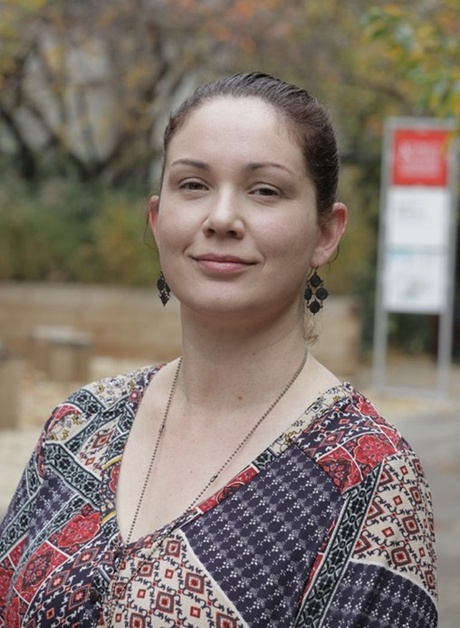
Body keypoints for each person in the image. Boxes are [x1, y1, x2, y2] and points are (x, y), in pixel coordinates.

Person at [0, 72, 437, 627]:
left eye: (265, 191)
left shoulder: (369, 477)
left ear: (326, 232)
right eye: (194, 185)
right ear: (157, 220)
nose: (222, 218)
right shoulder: (79, 424)